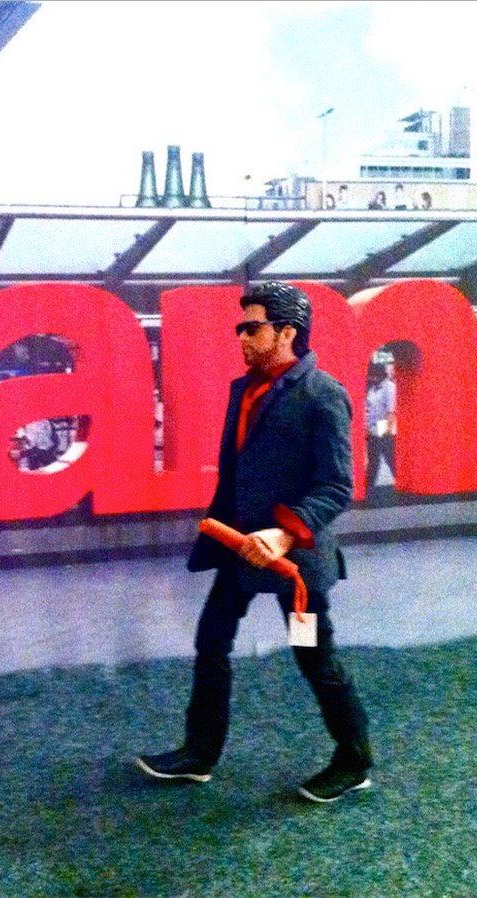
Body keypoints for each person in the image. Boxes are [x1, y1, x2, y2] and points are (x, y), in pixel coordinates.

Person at [135, 281, 372, 804]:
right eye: (239, 327)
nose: (241, 336)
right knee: (211, 641)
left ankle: (355, 761)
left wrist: (285, 533)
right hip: (240, 552)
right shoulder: (242, 390)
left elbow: (337, 485)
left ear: (287, 332)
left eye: (252, 327)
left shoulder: (322, 394)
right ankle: (200, 753)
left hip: (295, 563)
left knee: (314, 656)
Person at [364, 360, 396, 491]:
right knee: (373, 460)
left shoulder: (389, 387)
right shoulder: (372, 389)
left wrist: (385, 431)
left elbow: (390, 411)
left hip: (384, 428)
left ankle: (404, 483)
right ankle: (368, 488)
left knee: (389, 459)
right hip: (372, 428)